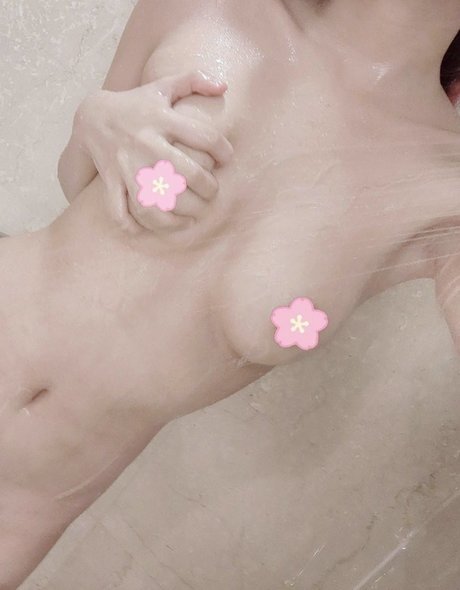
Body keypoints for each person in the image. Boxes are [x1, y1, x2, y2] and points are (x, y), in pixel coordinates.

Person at [2, 0, 460, 586]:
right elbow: (77, 184)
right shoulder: (212, 7)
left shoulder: (444, 188)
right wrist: (92, 118)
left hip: (25, 508)